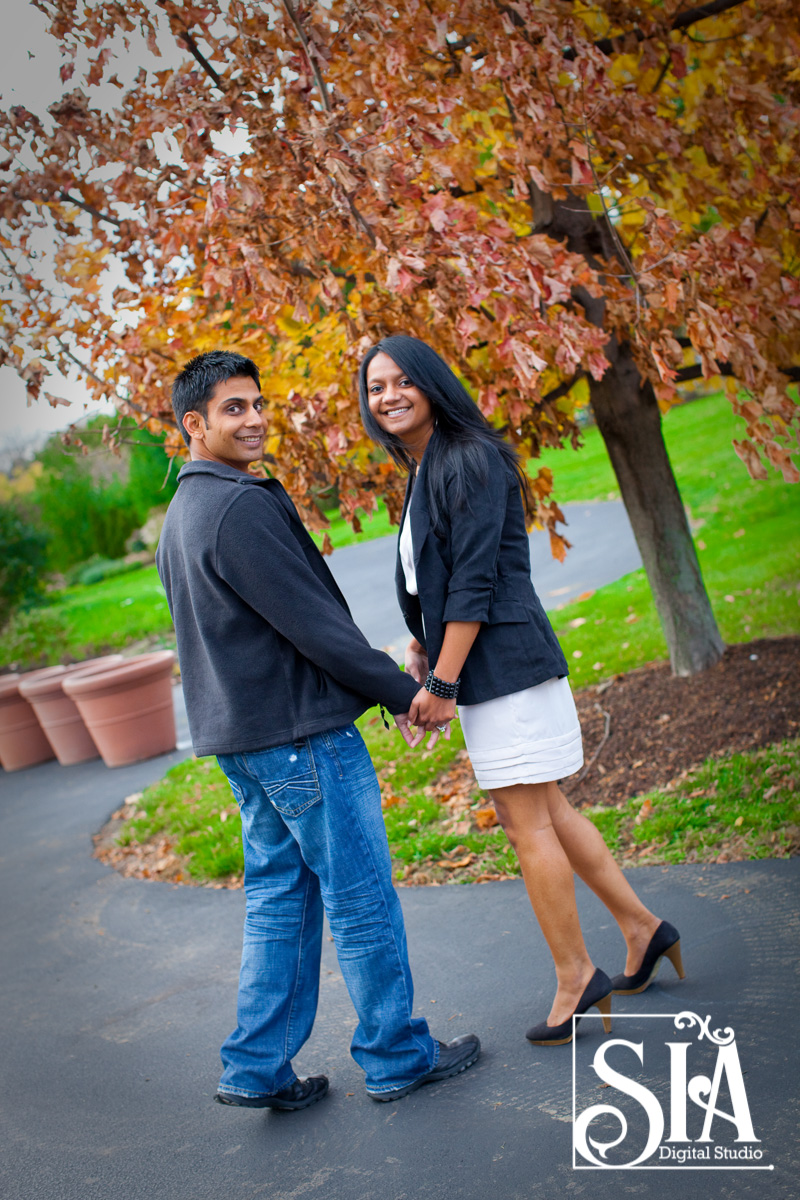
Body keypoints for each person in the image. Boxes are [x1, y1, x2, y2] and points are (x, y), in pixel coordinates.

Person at [156, 349, 480, 1108]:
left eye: (258, 404)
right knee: (360, 894)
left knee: (279, 899)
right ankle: (397, 1053)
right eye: (234, 409)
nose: (256, 419)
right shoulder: (236, 507)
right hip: (300, 738)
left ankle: (255, 1067)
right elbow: (317, 630)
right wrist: (407, 693)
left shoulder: (186, 512)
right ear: (193, 425)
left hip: (245, 742)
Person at [358, 334, 685, 1047]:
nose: (388, 395)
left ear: (431, 382)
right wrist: (425, 642)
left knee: (524, 823)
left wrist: (444, 680)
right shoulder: (429, 466)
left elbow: (478, 582)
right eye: (376, 386)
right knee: (550, 812)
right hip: (494, 664)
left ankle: (575, 977)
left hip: (503, 669)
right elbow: (446, 579)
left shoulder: (468, 458)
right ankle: (642, 928)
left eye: (401, 380)